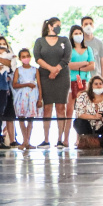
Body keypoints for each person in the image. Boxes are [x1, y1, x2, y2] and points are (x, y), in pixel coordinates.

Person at [34, 17, 72, 148]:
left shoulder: (64, 40)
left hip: (62, 76)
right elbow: (37, 58)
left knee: (61, 107)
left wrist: (56, 70)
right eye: (56, 25)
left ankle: (60, 139)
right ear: (50, 26)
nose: (58, 28)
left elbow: (66, 58)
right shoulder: (40, 41)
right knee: (47, 107)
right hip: (45, 76)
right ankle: (46, 139)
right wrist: (50, 69)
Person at [65, 24, 95, 147]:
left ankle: (80, 139)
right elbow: (68, 65)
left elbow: (92, 66)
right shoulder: (69, 50)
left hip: (84, 82)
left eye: (80, 33)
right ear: (72, 36)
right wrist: (83, 63)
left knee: (81, 111)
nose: (78, 36)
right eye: (76, 33)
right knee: (69, 111)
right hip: (70, 82)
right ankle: (65, 139)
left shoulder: (88, 49)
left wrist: (79, 68)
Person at [72, 76, 103, 149]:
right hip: (88, 125)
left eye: (100, 84)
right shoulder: (83, 96)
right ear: (91, 86)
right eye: (96, 84)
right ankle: (88, 138)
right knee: (78, 122)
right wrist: (94, 117)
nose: (98, 86)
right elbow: (79, 114)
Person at [11, 48, 42, 149]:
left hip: (33, 96)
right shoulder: (18, 70)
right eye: (23, 57)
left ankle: (27, 141)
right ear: (20, 58)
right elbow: (14, 84)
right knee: (21, 117)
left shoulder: (35, 70)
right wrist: (26, 84)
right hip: (21, 96)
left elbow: (39, 85)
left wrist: (40, 99)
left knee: (30, 119)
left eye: (27, 56)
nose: (26, 58)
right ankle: (25, 140)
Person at [80, 16, 103, 81]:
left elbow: (102, 63)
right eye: (86, 24)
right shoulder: (78, 43)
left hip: (96, 77)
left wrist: (102, 78)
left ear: (93, 26)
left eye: (90, 24)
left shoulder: (99, 43)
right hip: (83, 78)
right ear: (82, 27)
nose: (88, 26)